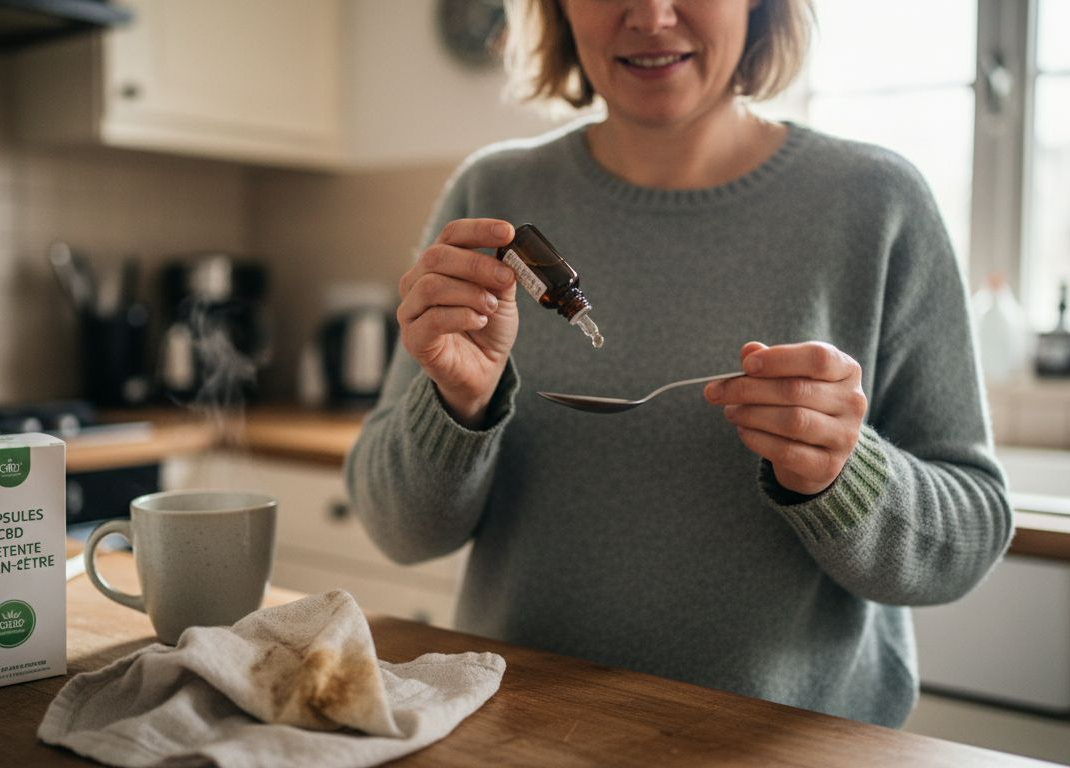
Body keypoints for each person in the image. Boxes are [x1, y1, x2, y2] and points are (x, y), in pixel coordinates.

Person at [344, 0, 1012, 727]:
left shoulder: (878, 203)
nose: (652, 15)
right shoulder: (493, 200)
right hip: (525, 736)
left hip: (786, 746)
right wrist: (454, 408)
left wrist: (843, 474)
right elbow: (397, 531)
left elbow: (970, 534)